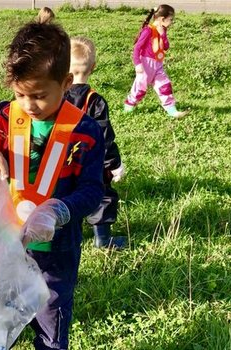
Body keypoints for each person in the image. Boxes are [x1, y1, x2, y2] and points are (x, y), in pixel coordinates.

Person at [0, 8, 105, 349]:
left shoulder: (85, 131)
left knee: (51, 318)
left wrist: (59, 211)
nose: (29, 104)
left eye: (39, 95)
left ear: (66, 84)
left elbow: (93, 190)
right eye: (21, 94)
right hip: (5, 243)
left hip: (55, 251)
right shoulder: (4, 117)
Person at [66, 37, 127, 249]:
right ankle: (102, 239)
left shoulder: (55, 96)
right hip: (92, 162)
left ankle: (67, 233)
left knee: (64, 193)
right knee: (101, 195)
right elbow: (104, 137)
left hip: (61, 161)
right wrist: (114, 164)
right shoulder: (95, 101)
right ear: (93, 67)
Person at [123, 4, 189, 119]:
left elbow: (166, 46)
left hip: (158, 64)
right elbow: (137, 48)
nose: (172, 22)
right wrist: (137, 64)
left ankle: (172, 112)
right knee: (140, 89)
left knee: (165, 86)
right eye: (171, 19)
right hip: (145, 65)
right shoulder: (148, 30)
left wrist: (163, 34)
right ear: (162, 19)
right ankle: (128, 109)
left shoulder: (162, 30)